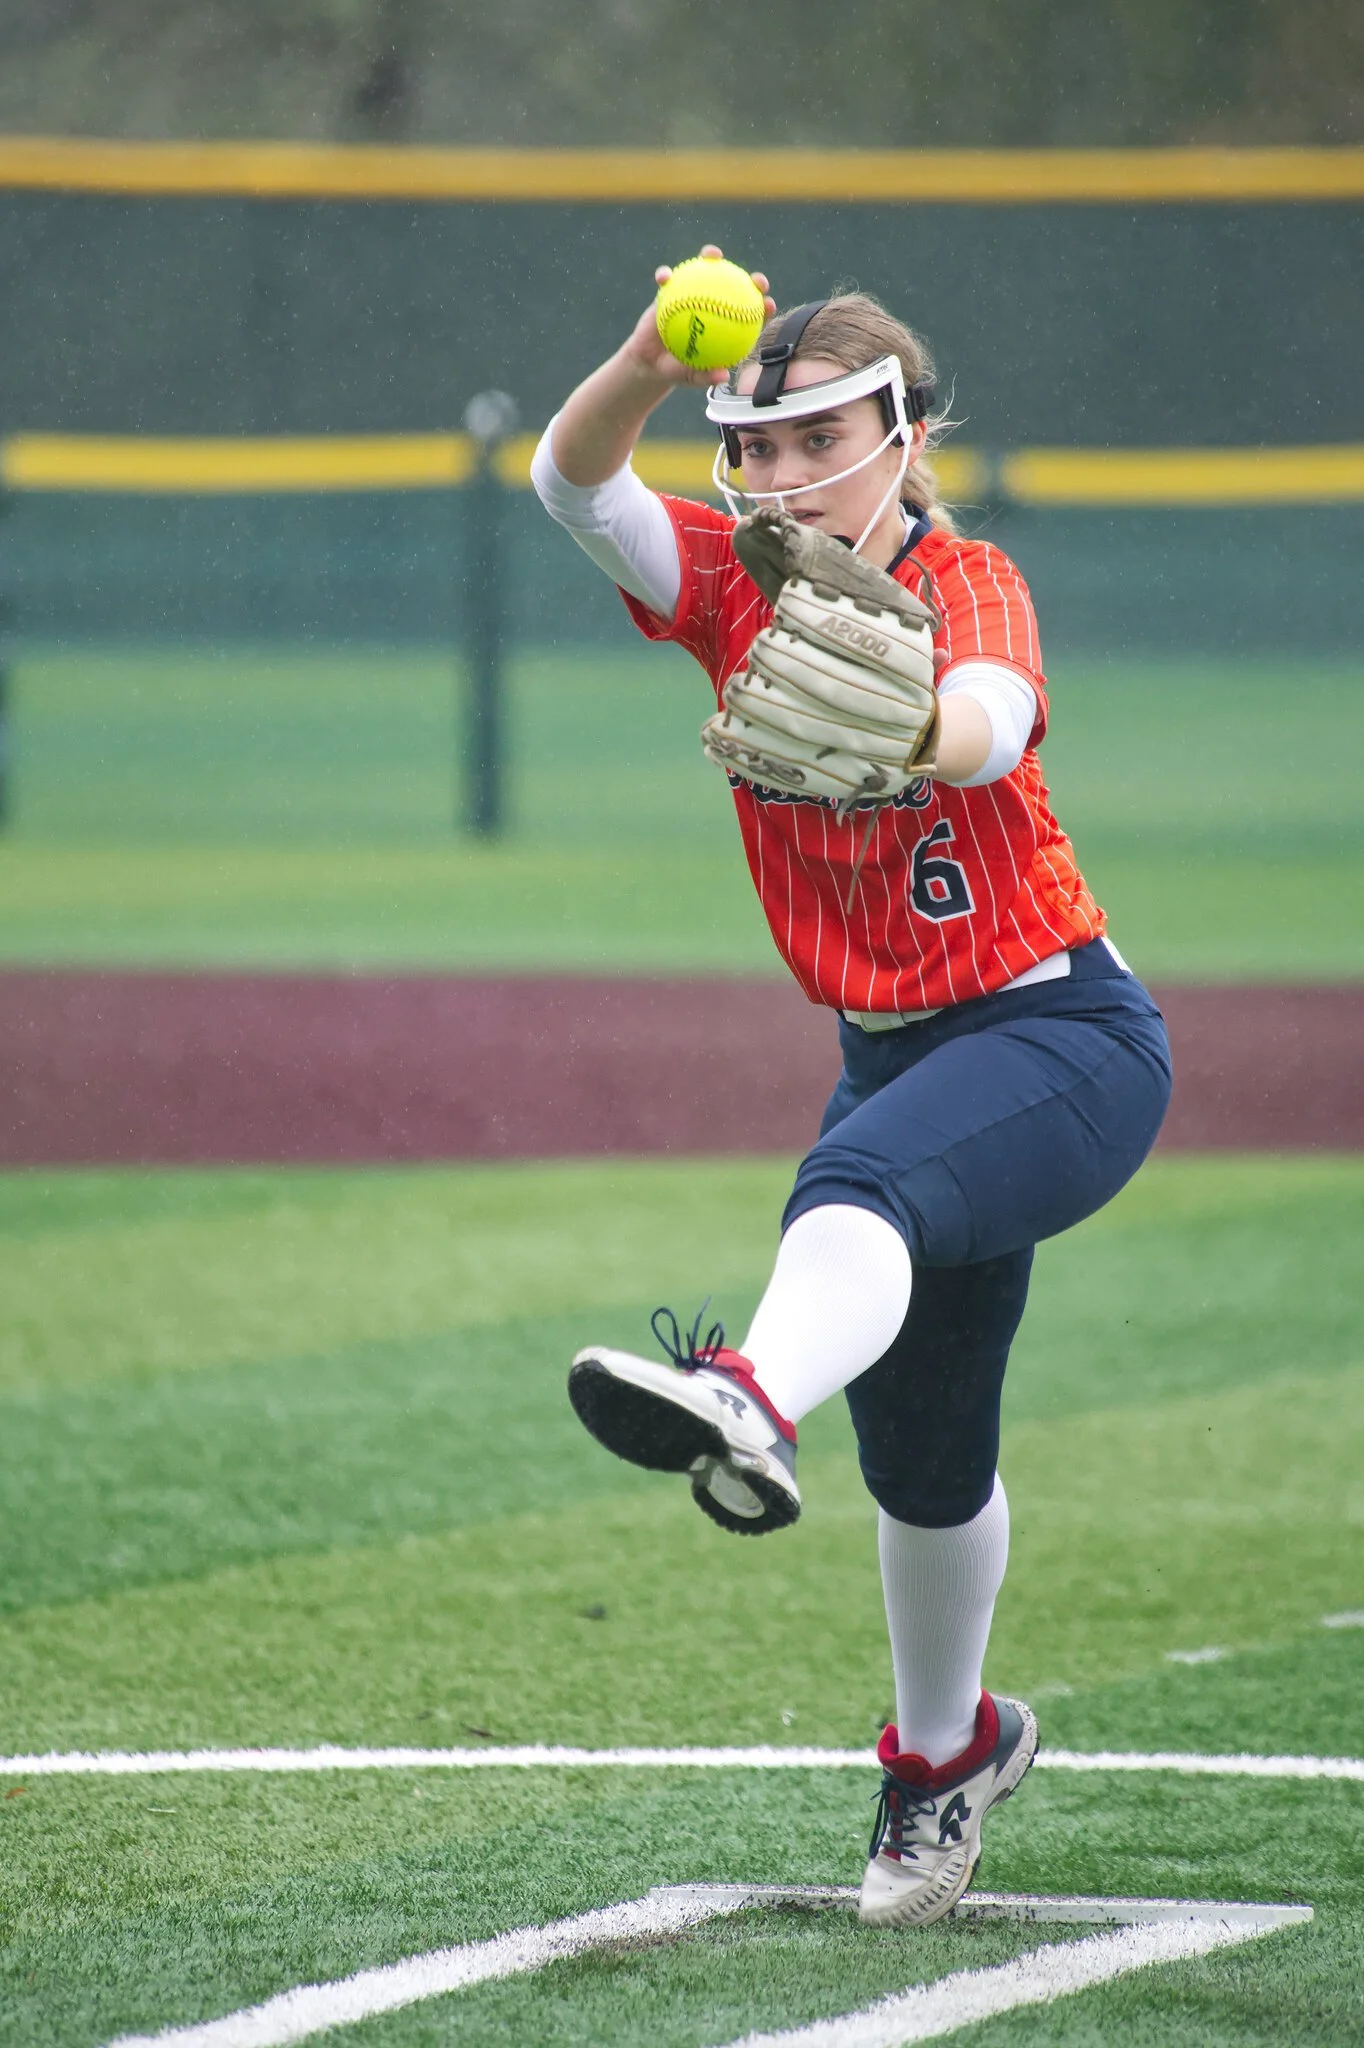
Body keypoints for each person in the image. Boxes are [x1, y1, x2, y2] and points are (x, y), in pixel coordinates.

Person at [530, 249, 1172, 1927]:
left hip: (1064, 1037)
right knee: (927, 1465)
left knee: (855, 1190)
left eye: (820, 439)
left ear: (905, 435)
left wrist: (905, 726)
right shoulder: (730, 583)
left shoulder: (969, 579)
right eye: (758, 445)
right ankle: (947, 1756)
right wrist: (649, 360)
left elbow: (989, 719)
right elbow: (571, 482)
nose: (783, 473)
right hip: (892, 1054)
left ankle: (747, 1396)